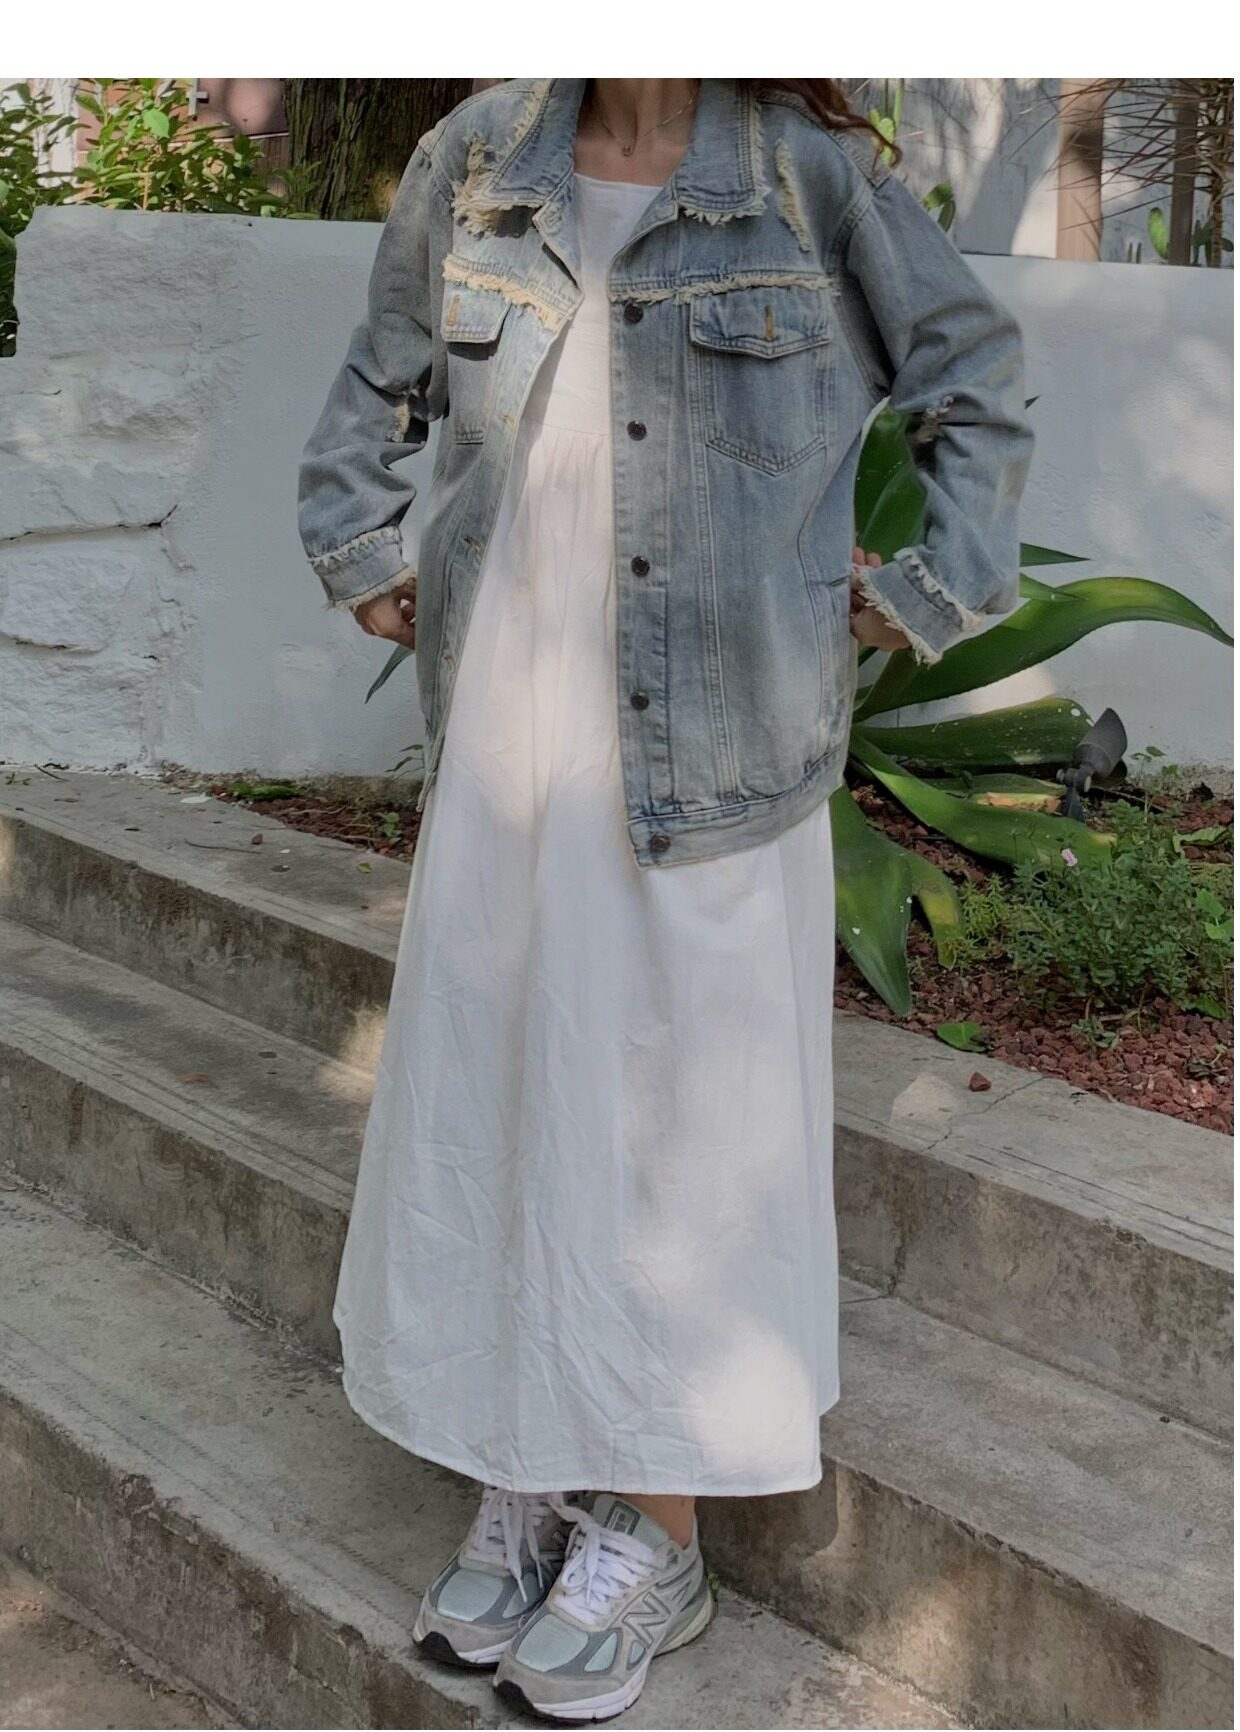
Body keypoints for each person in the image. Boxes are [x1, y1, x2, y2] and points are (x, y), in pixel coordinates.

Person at [297, 76, 1033, 1724]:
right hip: (508, 730)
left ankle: (659, 1528)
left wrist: (924, 594)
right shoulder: (479, 159)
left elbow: (978, 381)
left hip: (718, 746)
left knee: (679, 1130)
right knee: (502, 1094)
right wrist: (357, 540)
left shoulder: (813, 173)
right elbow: (379, 373)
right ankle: (528, 1460)